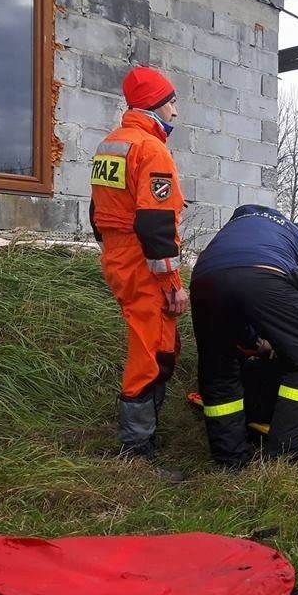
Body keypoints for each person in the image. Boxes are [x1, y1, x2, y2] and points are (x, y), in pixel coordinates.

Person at [189, 205, 298, 468]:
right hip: (265, 274)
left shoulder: (233, 230)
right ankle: (283, 457)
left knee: (219, 369)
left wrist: (256, 342)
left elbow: (235, 306)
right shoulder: (293, 233)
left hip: (203, 279)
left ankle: (230, 460)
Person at [89, 65, 189, 463]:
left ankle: (147, 437)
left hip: (120, 258)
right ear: (156, 105)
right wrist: (172, 285)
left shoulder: (110, 146)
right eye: (172, 103)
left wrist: (116, 252)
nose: (176, 112)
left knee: (161, 347)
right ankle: (136, 451)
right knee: (148, 354)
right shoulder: (152, 150)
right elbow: (156, 224)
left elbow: (97, 213)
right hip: (145, 265)